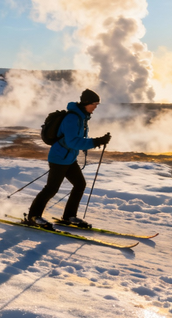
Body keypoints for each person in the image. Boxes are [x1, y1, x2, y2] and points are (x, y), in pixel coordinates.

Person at [26, 89, 111, 230]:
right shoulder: (72, 118)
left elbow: (75, 141)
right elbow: (72, 142)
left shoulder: (82, 117)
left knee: (80, 184)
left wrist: (98, 141)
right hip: (59, 158)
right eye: (94, 103)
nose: (96, 106)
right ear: (86, 103)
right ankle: (33, 217)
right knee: (51, 189)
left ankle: (69, 217)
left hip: (69, 158)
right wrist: (96, 142)